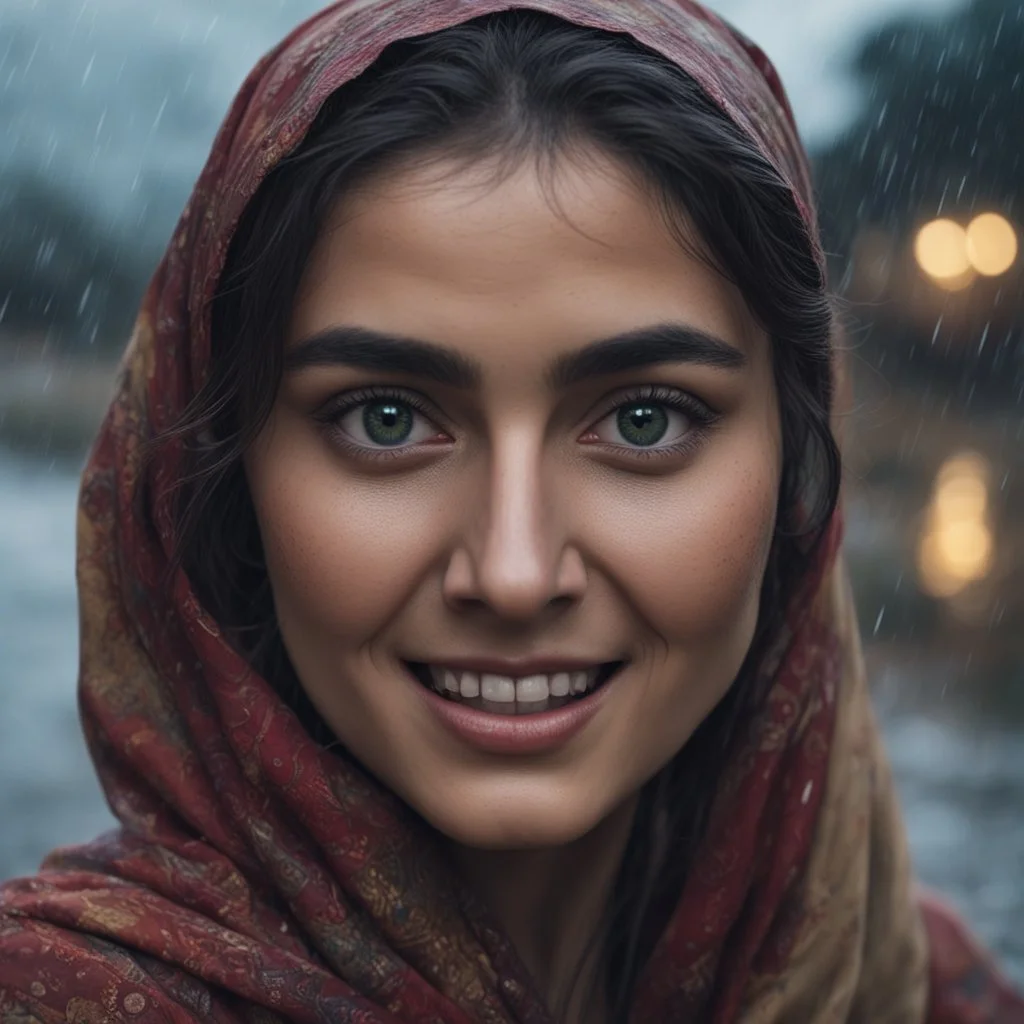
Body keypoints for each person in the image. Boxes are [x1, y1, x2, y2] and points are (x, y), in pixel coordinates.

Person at [1, 2, 1021, 1022]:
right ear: (227, 483)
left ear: (797, 474)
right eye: (388, 419)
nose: (515, 571)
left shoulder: (902, 982)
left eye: (643, 419)